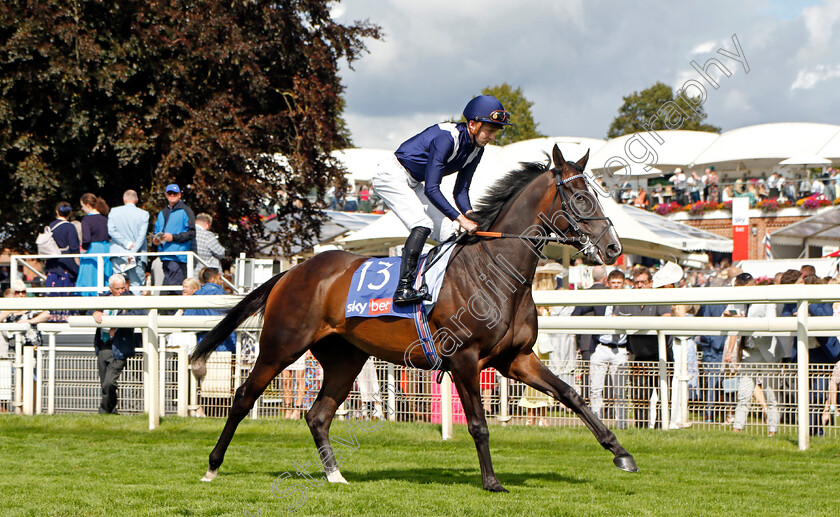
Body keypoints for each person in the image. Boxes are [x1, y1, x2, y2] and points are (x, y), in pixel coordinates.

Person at [371, 95, 511, 304]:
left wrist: (474, 217)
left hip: (414, 182)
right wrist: (460, 218)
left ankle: (439, 286)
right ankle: (403, 288)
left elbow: (461, 192)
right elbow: (433, 189)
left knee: (449, 232)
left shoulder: (476, 150)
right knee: (422, 224)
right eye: (489, 131)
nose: (492, 137)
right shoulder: (447, 138)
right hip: (391, 175)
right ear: (472, 124)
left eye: (495, 132)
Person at [723, 273, 782, 436]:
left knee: (771, 394)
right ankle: (737, 429)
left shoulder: (766, 297)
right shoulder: (737, 298)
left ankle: (772, 430)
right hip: (748, 352)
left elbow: (771, 322)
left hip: (767, 351)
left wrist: (745, 320)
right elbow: (727, 316)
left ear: (754, 285)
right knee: (743, 393)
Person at [619, 268, 672, 428]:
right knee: (639, 398)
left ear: (650, 283)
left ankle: (661, 428)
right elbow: (616, 318)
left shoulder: (658, 299)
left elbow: (667, 318)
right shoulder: (630, 301)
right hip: (638, 357)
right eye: (637, 282)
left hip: (661, 356)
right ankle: (641, 429)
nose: (640, 285)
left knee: (664, 396)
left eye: (643, 282)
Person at [91, 274, 142, 414]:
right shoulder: (102, 299)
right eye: (117, 289)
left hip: (120, 346)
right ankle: (111, 412)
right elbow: (88, 309)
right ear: (110, 288)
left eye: (122, 288)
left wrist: (116, 322)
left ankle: (103, 411)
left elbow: (137, 314)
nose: (120, 291)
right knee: (104, 383)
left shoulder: (131, 299)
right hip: (103, 345)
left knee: (109, 382)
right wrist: (95, 312)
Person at [587, 270, 629, 429]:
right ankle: (596, 423)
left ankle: (622, 425)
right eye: (614, 283)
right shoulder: (600, 299)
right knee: (595, 389)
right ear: (608, 283)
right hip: (601, 347)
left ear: (623, 284)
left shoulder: (629, 300)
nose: (616, 286)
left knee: (620, 391)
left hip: (620, 350)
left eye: (619, 283)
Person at [152, 184, 196, 291]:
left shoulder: (186, 211)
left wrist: (173, 237)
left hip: (178, 258)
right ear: (166, 195)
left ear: (179, 195)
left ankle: (176, 308)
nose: (172, 195)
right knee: (170, 289)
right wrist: (156, 240)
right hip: (165, 257)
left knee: (175, 290)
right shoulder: (162, 213)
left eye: (175, 193)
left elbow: (191, 233)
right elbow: (157, 231)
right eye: (170, 193)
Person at [107, 190, 150, 293]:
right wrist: (133, 250)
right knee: (137, 286)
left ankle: (118, 309)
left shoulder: (114, 211)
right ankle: (136, 309)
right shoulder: (144, 214)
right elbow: (141, 235)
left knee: (117, 286)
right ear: (137, 200)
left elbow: (111, 231)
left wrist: (127, 243)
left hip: (118, 253)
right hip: (137, 255)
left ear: (124, 199)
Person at [43, 201, 80, 320]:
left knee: (53, 290)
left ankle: (53, 316)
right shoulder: (70, 227)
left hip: (52, 262)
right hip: (66, 263)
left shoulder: (50, 226)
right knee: (67, 290)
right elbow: (74, 248)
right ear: (69, 213)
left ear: (57, 212)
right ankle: (66, 316)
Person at [184, 268, 235, 353]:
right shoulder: (225, 295)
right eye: (220, 278)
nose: (222, 282)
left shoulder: (195, 297)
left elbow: (187, 319)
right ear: (213, 279)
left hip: (202, 346)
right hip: (225, 346)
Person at [76, 193, 112, 296]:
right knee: (104, 275)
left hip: (93, 249)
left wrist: (83, 249)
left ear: (88, 205)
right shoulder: (105, 219)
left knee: (90, 277)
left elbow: (86, 239)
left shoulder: (86, 219)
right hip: (105, 248)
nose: (82, 208)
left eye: (82, 205)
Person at [1, 280, 51, 349]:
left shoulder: (31, 306)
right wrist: (10, 311)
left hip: (32, 346)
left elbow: (47, 315)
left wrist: (31, 321)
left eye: (23, 292)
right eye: (17, 292)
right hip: (14, 348)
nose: (21, 295)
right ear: (13, 294)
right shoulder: (7, 308)